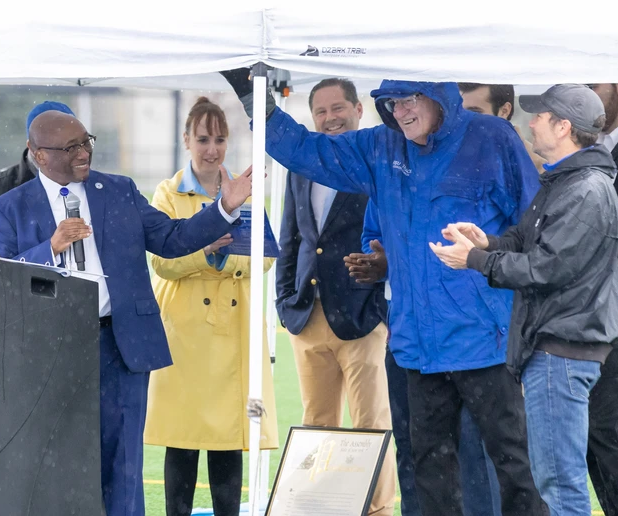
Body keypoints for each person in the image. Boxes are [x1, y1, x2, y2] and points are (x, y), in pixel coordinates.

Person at [220, 68, 546, 516]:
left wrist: (496, 263)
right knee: (428, 471)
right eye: (392, 103)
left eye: (410, 98)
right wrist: (251, 95)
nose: (402, 111)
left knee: (513, 469)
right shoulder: (380, 146)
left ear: (439, 95)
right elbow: (304, 150)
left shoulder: (490, 137)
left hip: (484, 345)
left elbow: (533, 226)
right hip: (416, 349)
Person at [0, 110, 252, 516]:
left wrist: (224, 209)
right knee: (54, 459)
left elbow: (172, 239)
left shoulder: (120, 190)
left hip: (120, 344)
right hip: (48, 350)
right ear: (38, 155)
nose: (83, 153)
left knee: (124, 465)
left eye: (86, 141)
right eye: (69, 147)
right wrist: (50, 248)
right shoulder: (7, 209)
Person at [432, 83, 618, 515]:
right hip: (556, 348)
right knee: (554, 477)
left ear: (563, 126)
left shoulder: (585, 190)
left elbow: (546, 269)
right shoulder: (566, 181)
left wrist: (477, 260)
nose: (531, 122)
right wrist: (488, 242)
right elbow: (527, 242)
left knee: (559, 484)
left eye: (540, 115)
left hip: (561, 351)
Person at [143, 97, 278, 516]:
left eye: (219, 139)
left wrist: (222, 255)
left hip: (235, 331)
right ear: (186, 140)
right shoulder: (166, 194)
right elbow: (162, 262)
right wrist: (206, 251)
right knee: (181, 441)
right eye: (203, 139)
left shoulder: (245, 189)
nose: (211, 149)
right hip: (183, 334)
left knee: (229, 441)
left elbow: (266, 256)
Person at [273, 78, 395, 515]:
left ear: (359, 109)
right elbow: (291, 238)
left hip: (363, 316)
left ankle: (377, 510)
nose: (330, 118)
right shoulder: (301, 166)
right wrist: (285, 303)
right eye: (321, 111)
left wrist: (380, 310)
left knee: (370, 425)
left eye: (338, 107)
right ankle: (323, 508)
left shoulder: (377, 160)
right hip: (307, 315)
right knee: (317, 426)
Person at [352, 198, 501, 516]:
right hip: (408, 339)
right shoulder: (385, 173)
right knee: (413, 448)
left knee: (474, 451)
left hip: (470, 338)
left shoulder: (475, 163)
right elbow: (373, 239)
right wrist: (381, 263)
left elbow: (499, 240)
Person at [586, 82, 618, 516]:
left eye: (590, 84)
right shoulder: (598, 149)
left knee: (605, 427)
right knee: (591, 432)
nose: (584, 92)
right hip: (596, 314)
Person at [0, 101, 76, 252]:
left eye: (72, 143)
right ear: (31, 146)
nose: (64, 151)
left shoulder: (92, 186)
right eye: (53, 143)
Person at [458, 82, 546, 173]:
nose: (464, 122)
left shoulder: (538, 170)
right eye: (460, 113)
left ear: (504, 111)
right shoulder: (449, 156)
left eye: (474, 113)